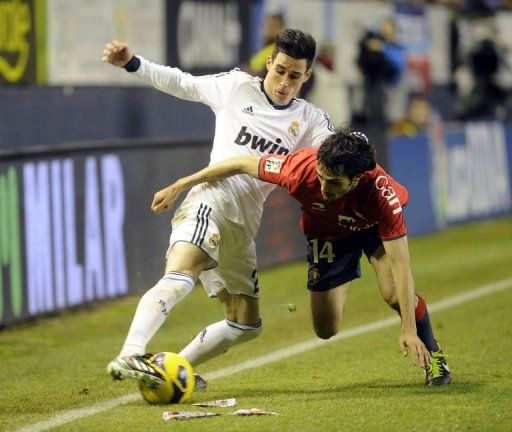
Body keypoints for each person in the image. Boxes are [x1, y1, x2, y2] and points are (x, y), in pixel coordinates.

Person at [102, 29, 335, 386]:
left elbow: (334, 157)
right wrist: (133, 64)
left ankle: (175, 369)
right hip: (209, 201)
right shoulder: (235, 87)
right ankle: (130, 353)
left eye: (294, 76)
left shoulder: (310, 120)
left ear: (307, 77)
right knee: (180, 276)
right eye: (280, 70)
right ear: (268, 63)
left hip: (243, 226)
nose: (284, 82)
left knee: (245, 324)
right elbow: (181, 83)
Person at [151, 128, 451, 386]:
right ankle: (344, 275)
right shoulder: (299, 169)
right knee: (325, 329)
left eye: (334, 183)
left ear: (357, 179)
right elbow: (240, 164)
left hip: (371, 229)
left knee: (393, 293)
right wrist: (181, 184)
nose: (323, 188)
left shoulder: (381, 194)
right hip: (328, 236)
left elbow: (402, 266)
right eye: (322, 178)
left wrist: (408, 329)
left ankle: (435, 355)